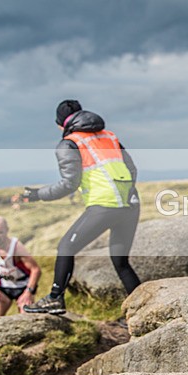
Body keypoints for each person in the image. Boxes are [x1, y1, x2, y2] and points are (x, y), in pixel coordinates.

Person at [20, 100, 141, 315]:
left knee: (66, 247)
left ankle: (56, 298)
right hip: (130, 204)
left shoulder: (69, 143)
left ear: (60, 124)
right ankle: (142, 310)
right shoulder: (109, 136)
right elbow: (131, 169)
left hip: (104, 205)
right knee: (121, 262)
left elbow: (69, 184)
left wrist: (37, 194)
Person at [0, 216, 41, 317]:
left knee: (26, 319)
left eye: (0, 232)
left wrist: (28, 292)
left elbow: (36, 269)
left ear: (7, 230)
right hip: (4, 287)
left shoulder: (17, 247)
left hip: (23, 286)